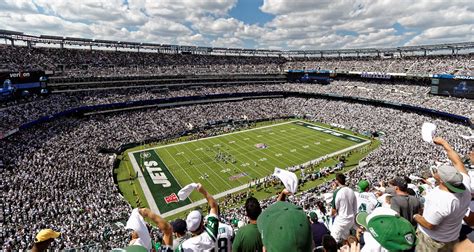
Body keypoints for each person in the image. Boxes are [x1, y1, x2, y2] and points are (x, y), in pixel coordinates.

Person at [414, 137, 471, 252]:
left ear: (442, 181)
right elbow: (457, 161)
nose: (436, 172)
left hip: (434, 241)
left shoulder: (441, 200)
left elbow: (430, 225)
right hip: (452, 236)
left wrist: (416, 216)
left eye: (438, 172)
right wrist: (444, 143)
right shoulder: (465, 183)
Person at [177, 183, 219, 251]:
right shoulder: (210, 235)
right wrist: (204, 191)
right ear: (202, 223)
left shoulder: (183, 247)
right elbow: (214, 206)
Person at [330, 173, 358, 244]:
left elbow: (334, 211)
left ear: (337, 181)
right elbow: (354, 206)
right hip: (351, 219)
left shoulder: (337, 192)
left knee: (332, 241)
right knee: (346, 240)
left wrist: (331, 215)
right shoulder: (351, 191)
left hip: (341, 220)